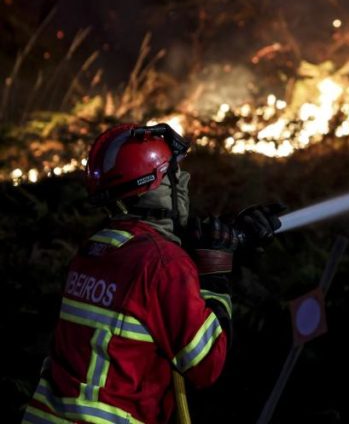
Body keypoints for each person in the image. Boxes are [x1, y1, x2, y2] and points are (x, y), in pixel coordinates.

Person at [22, 123, 283, 424]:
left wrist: (231, 237)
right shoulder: (163, 265)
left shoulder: (96, 250)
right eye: (174, 173)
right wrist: (215, 273)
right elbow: (207, 364)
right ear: (156, 184)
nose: (183, 180)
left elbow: (150, 277)